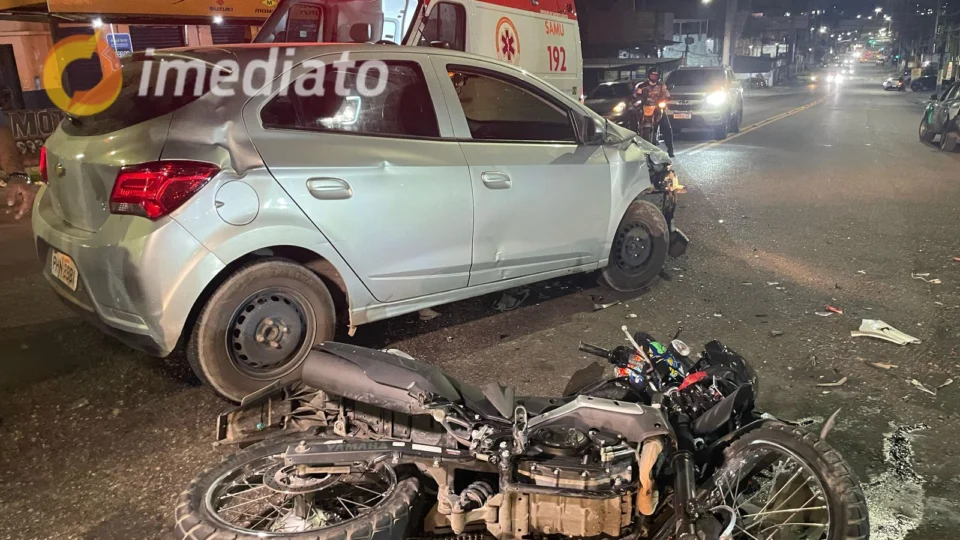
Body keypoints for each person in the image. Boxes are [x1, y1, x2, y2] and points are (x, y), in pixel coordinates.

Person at [637, 66, 674, 157]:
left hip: (657, 108)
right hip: (645, 108)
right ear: (648, 75)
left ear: (658, 76)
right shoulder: (642, 86)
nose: (654, 77)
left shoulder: (662, 85)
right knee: (633, 120)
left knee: (667, 127)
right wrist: (636, 99)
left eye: (655, 75)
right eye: (652, 75)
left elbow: (666, 94)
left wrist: (666, 98)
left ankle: (670, 149)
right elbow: (637, 95)